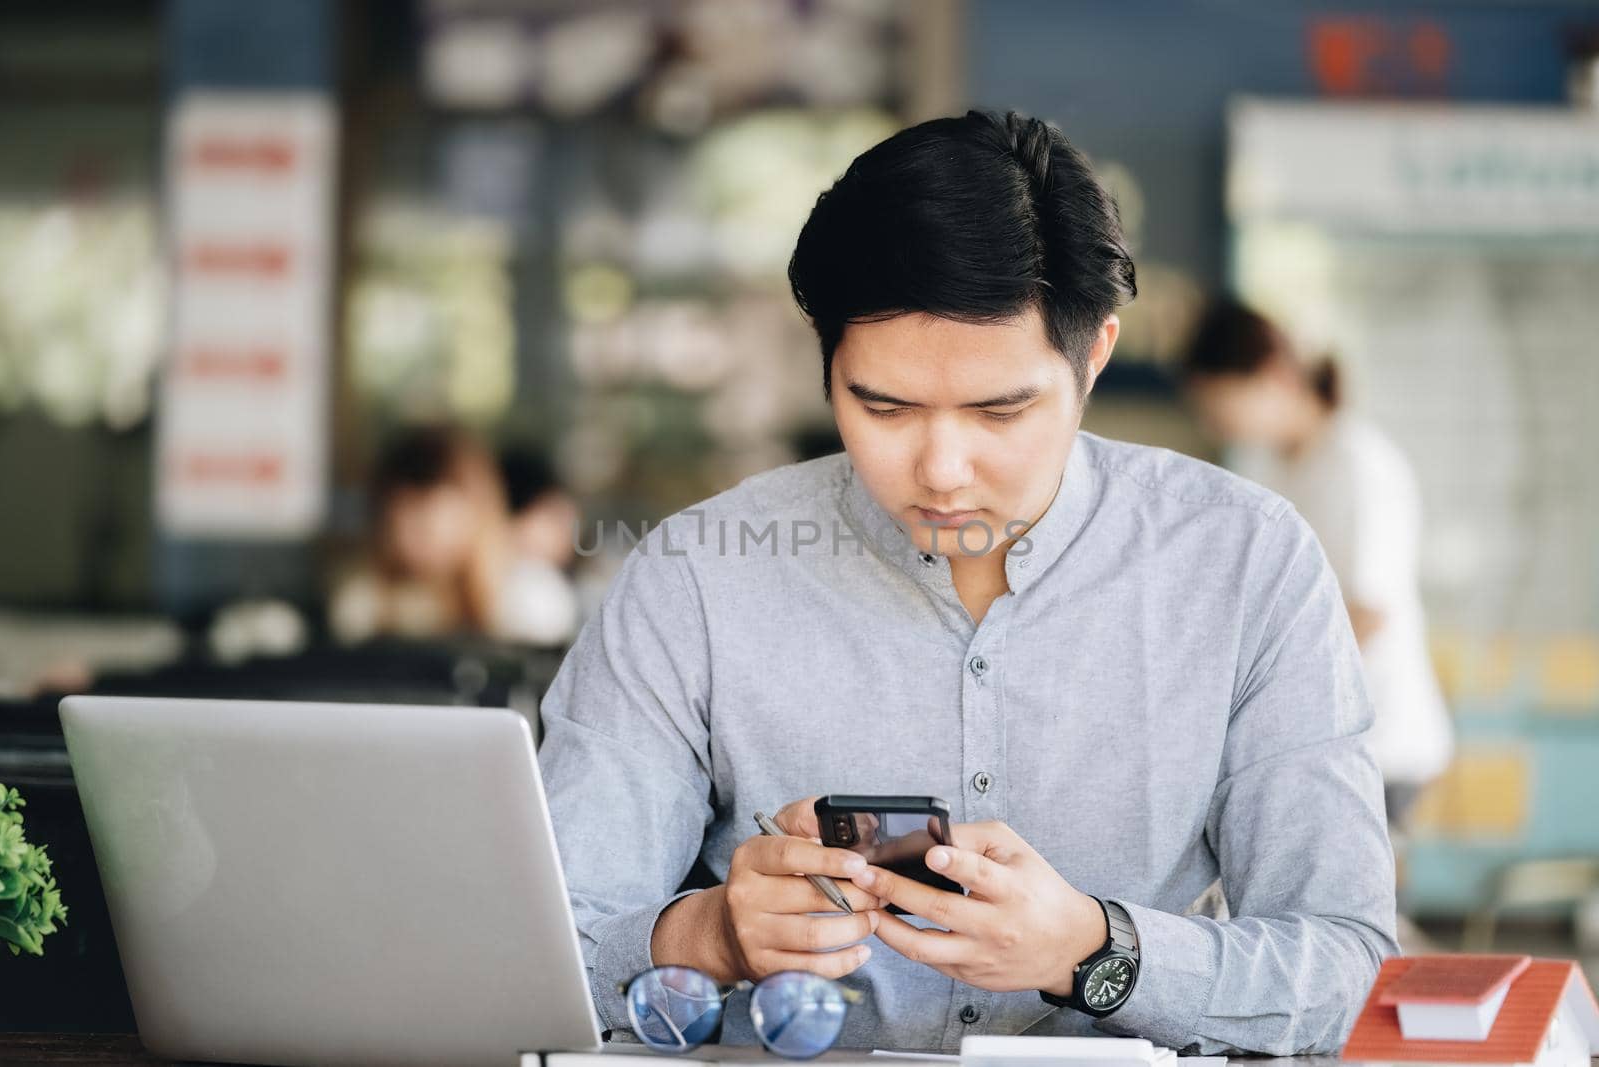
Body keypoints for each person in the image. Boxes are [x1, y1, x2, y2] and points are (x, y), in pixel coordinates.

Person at [538, 111, 1397, 1056]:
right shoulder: (696, 576)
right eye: (884, 405)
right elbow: (541, 943)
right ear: (826, 368)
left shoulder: (1246, 564)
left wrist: (1092, 950)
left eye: (1000, 410)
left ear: (1095, 354)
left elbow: (1342, 968)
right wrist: (711, 936)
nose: (942, 467)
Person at [1179, 300, 1453, 827]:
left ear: (1272, 375)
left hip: (1379, 739)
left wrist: (1257, 685)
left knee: (1357, 900)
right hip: (1307, 735)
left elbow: (1370, 613)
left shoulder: (1360, 465)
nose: (1214, 423)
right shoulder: (1262, 463)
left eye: (1218, 403)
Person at [329, 427, 578, 647]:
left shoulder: (531, 599)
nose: (415, 541)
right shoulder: (363, 601)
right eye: (403, 523)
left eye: (427, 526)